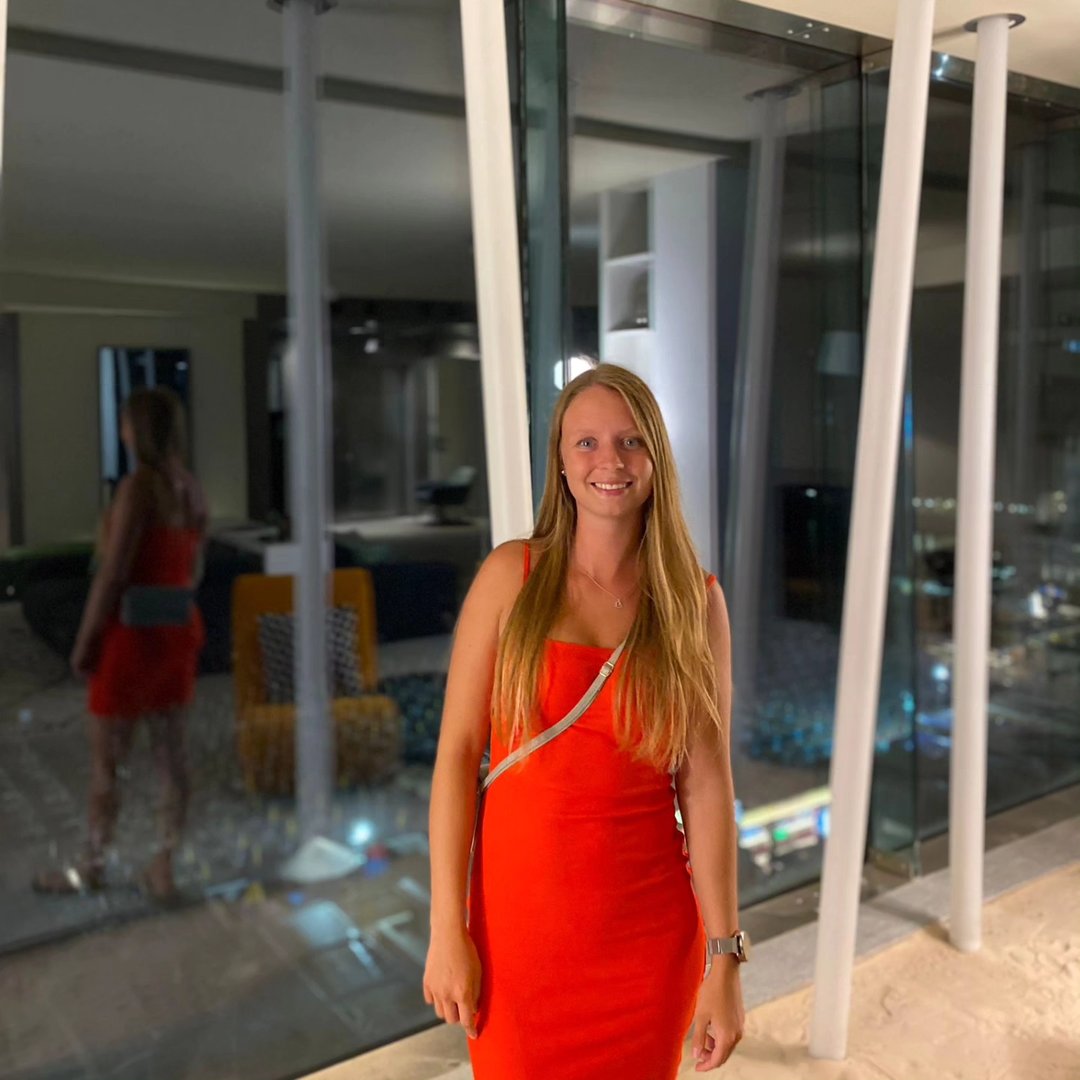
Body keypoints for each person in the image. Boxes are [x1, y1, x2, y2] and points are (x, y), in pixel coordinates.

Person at [423, 364, 745, 1077]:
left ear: (656, 457)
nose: (611, 461)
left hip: (648, 939)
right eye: (588, 443)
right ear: (562, 463)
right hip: (518, 938)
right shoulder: (511, 577)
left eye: (631, 441)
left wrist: (724, 960)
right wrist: (447, 927)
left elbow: (706, 786)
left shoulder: (695, 602)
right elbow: (457, 757)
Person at [33, 387, 207, 903]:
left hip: (131, 638)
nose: (123, 431)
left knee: (108, 760)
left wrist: (85, 641)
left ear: (139, 430)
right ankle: (164, 866)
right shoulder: (191, 490)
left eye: (127, 423)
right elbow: (192, 570)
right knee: (171, 755)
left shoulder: (138, 489)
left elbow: (112, 575)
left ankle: (92, 865)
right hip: (176, 631)